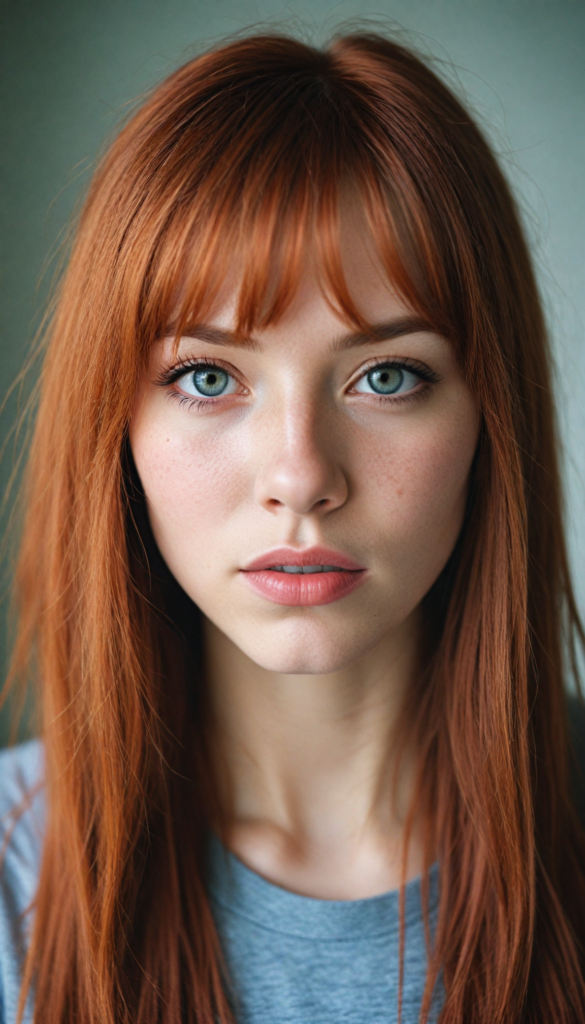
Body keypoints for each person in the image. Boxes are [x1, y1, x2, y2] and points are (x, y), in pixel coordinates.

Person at [1, 29, 584, 1024]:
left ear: (492, 413)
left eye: (387, 376)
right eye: (209, 377)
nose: (301, 476)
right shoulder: (17, 877)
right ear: (117, 427)